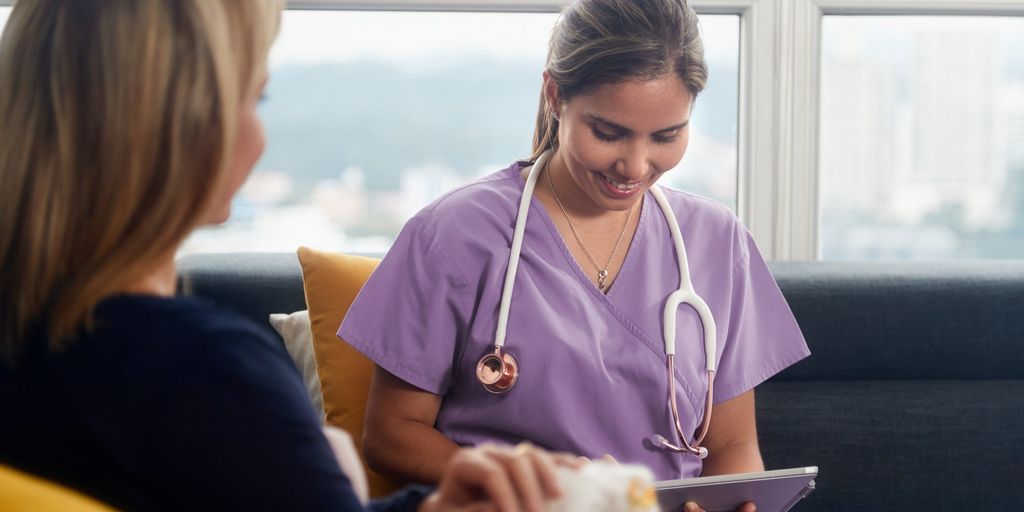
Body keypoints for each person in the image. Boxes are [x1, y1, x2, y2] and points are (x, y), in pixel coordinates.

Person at [0, 1, 570, 510]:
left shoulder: (38, 341)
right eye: (256, 96)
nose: (260, 133)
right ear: (182, 127)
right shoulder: (209, 374)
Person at [337, 0, 810, 499]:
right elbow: (391, 434)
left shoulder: (717, 241)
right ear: (554, 95)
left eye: (666, 136)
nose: (635, 166)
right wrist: (548, 492)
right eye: (608, 133)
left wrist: (726, 504)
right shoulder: (453, 235)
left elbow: (733, 444)